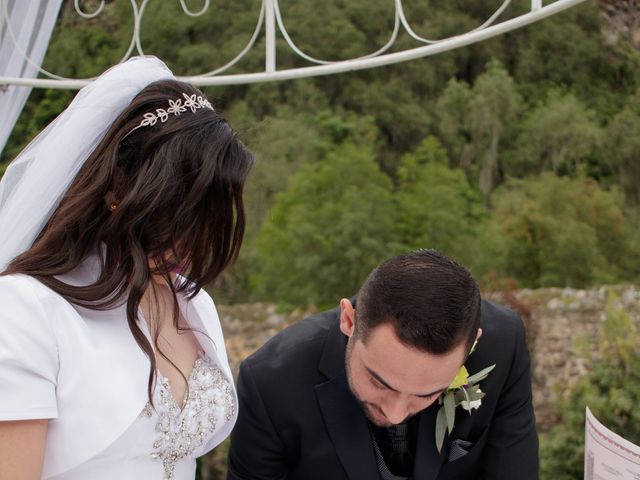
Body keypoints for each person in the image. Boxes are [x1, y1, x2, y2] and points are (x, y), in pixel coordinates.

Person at [0, 56, 254, 480]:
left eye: (210, 217)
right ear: (119, 191)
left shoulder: (194, 303)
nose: (193, 241)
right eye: (180, 213)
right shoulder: (25, 310)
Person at [227, 249, 538, 480]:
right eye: (379, 382)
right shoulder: (271, 383)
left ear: (471, 346)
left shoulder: (503, 345)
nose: (395, 413)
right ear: (349, 320)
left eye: (426, 394)